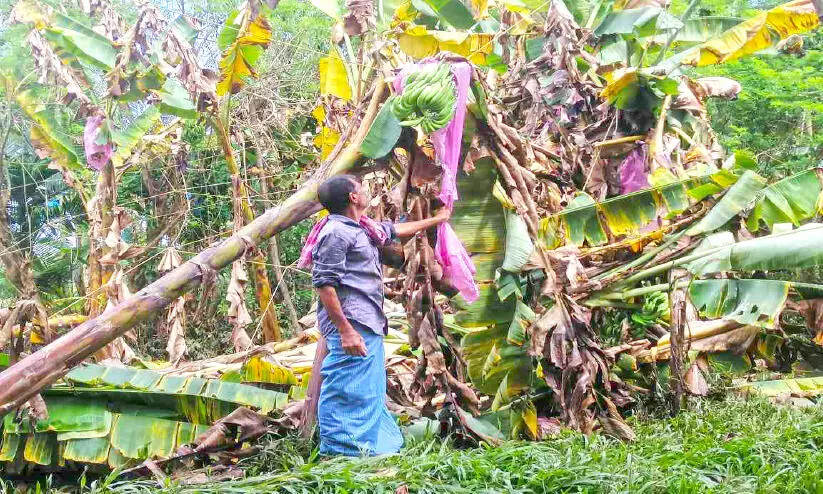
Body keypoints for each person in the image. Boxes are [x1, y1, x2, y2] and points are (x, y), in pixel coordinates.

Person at [308, 174, 450, 456]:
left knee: (366, 389)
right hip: (352, 323)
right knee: (345, 388)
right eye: (360, 189)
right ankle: (341, 453)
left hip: (367, 320)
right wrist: (345, 330)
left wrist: (437, 219)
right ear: (352, 197)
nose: (365, 193)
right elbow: (324, 283)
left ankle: (369, 450)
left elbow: (396, 230)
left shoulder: (362, 228)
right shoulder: (336, 232)